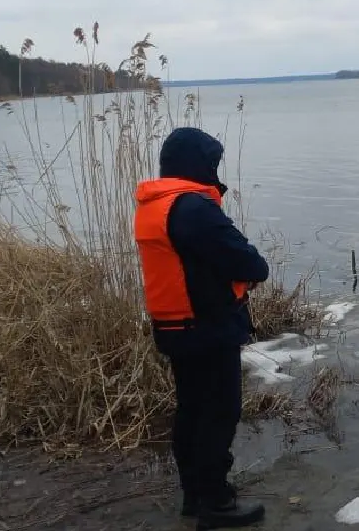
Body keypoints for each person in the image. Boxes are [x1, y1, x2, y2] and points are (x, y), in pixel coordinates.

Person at [134, 127, 271, 529]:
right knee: (219, 412)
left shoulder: (153, 204)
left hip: (175, 326)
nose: (215, 170)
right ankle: (216, 504)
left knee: (192, 410)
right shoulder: (193, 208)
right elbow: (250, 264)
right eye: (212, 163)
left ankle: (194, 495)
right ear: (198, 165)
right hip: (207, 327)